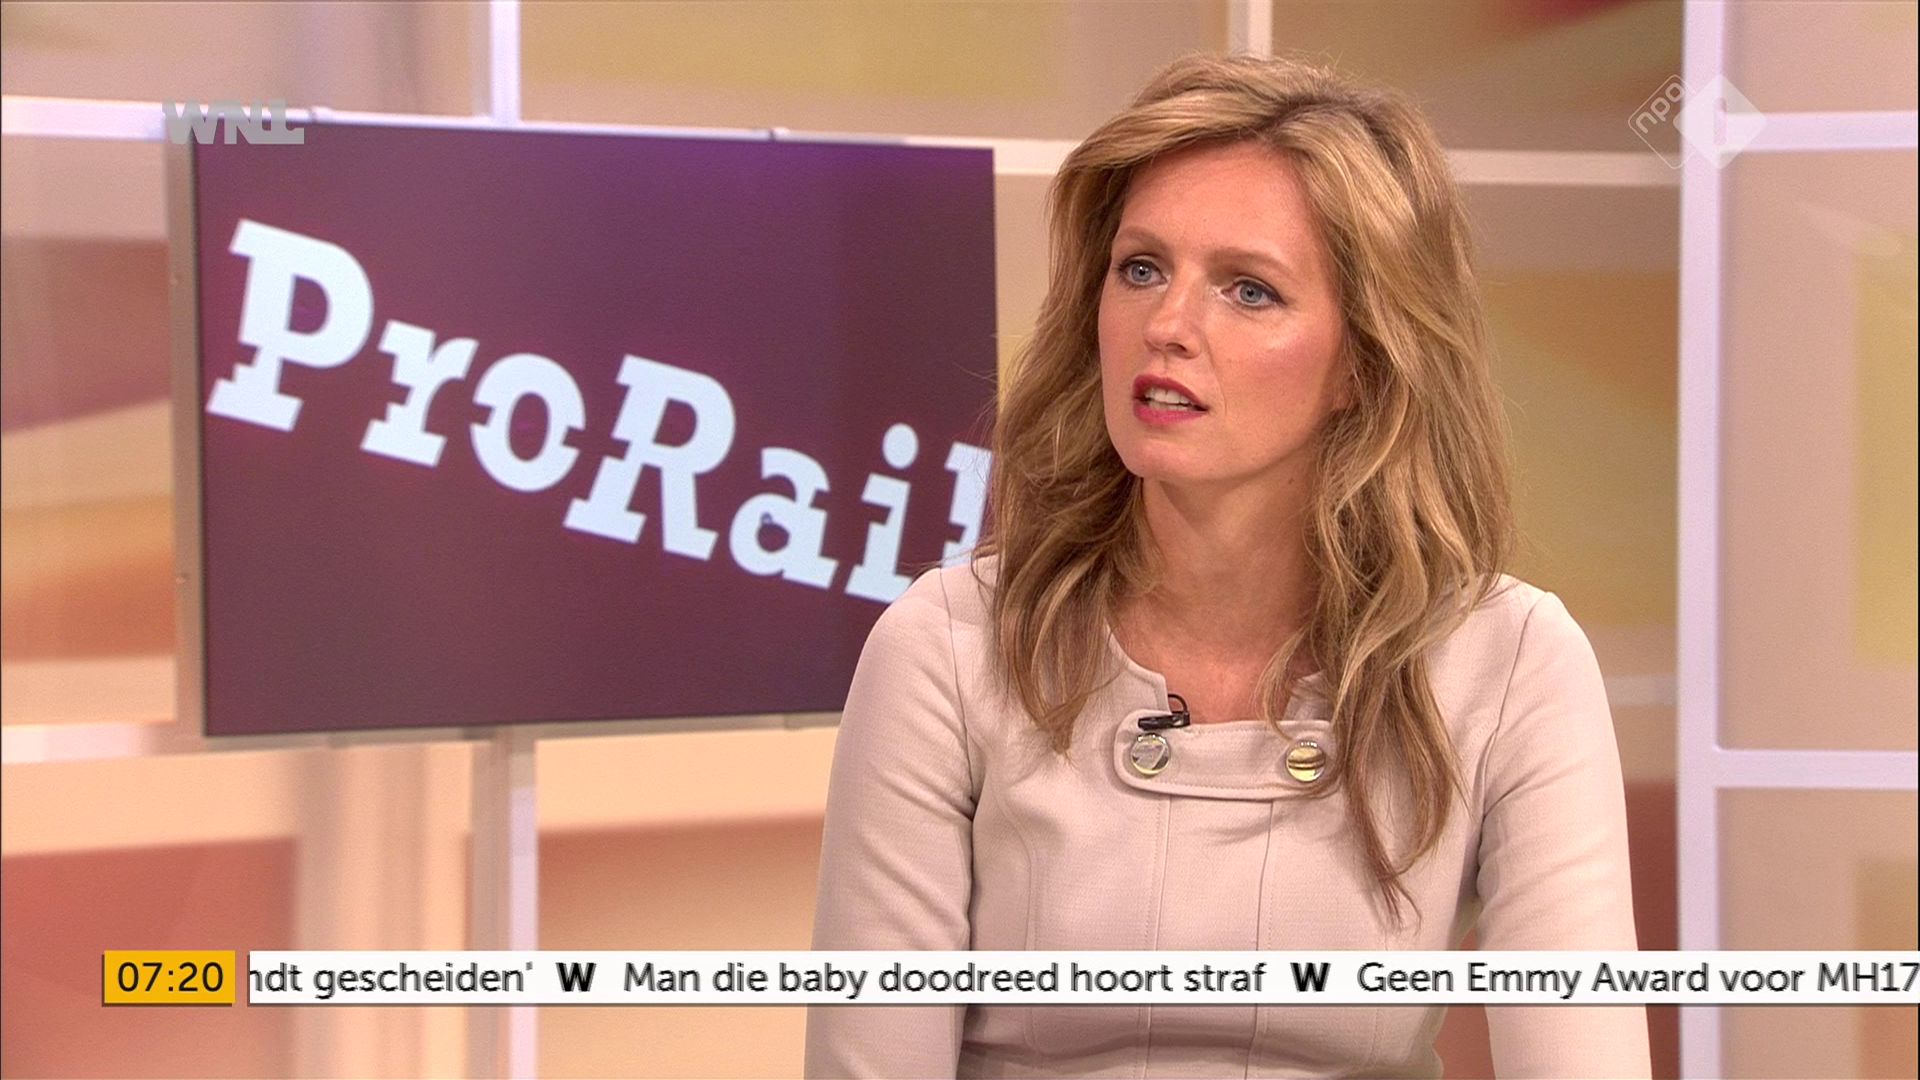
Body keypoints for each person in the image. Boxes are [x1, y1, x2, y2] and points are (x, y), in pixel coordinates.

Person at [806, 51, 1649, 1079]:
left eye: (1249, 290)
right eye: (1141, 269)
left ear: (1363, 361)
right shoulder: (948, 647)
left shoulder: (1508, 662)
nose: (1168, 327)